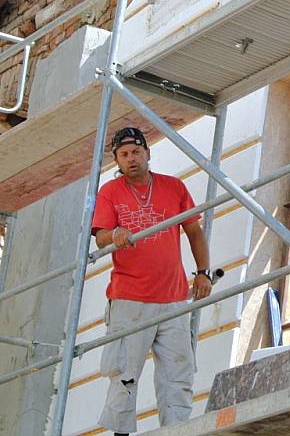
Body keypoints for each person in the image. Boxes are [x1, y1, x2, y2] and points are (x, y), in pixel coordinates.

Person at [92, 127, 213, 435]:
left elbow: (194, 231)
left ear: (147, 153)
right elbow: (100, 237)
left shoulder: (173, 187)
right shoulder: (110, 191)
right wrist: (114, 234)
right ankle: (120, 434)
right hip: (130, 298)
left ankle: (176, 431)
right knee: (124, 373)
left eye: (136, 152)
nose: (131, 159)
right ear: (117, 161)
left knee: (178, 373)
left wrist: (202, 272)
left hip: (173, 299)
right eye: (124, 155)